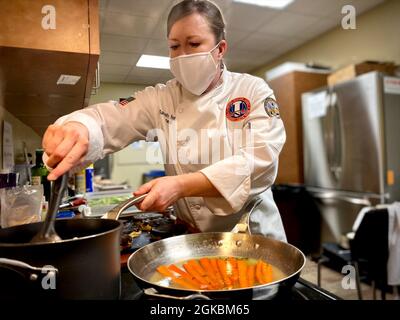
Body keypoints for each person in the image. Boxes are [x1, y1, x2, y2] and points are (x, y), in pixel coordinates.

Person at [42, 0, 287, 241]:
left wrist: (181, 185)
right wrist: (79, 126)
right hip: (192, 238)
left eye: (193, 43)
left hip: (251, 235)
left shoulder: (252, 90)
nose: (182, 55)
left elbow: (260, 160)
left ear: (220, 49)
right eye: (174, 46)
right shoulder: (162, 97)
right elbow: (112, 117)